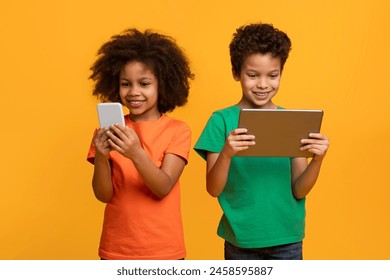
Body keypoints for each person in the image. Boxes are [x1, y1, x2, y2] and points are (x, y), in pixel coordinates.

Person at [194, 23, 329, 260]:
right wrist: (226, 153)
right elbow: (213, 189)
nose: (263, 85)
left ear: (281, 73)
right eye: (252, 75)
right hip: (240, 239)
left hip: (287, 238)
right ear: (236, 73)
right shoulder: (221, 121)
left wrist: (317, 160)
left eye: (273, 75)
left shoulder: (292, 121)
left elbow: (299, 190)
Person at [87, 28, 194, 260]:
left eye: (144, 84)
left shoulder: (177, 130)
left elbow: (162, 187)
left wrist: (136, 153)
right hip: (116, 249)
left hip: (164, 251)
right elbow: (103, 195)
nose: (134, 92)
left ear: (162, 85)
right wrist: (102, 157)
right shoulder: (108, 131)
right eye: (126, 84)